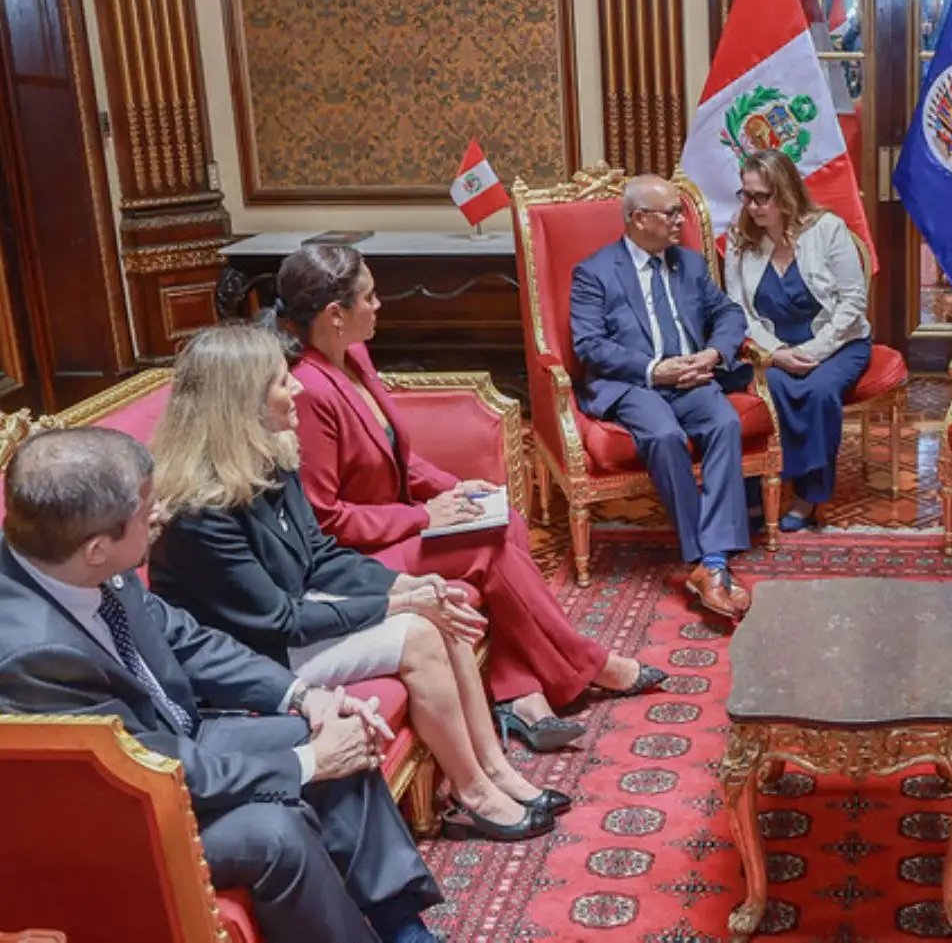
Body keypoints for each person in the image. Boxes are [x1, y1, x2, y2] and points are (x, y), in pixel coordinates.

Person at [0, 428, 441, 943]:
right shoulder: (32, 653)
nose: (161, 514)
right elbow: (142, 764)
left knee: (340, 737)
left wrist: (305, 697)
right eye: (147, 513)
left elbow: (188, 641)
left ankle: (404, 930)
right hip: (118, 811)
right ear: (97, 549)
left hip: (171, 742)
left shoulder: (70, 556)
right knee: (277, 835)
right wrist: (308, 763)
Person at [147, 324, 562, 843]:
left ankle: (495, 769)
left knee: (440, 605)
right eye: (280, 382)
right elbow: (280, 620)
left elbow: (318, 556)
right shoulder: (200, 514)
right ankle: (473, 791)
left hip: (295, 616)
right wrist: (397, 606)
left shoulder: (271, 454)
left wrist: (409, 584)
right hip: (257, 654)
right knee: (419, 633)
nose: (296, 387)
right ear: (240, 404)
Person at [274, 243, 665, 753]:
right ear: (335, 315)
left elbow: (398, 456)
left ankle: (519, 693)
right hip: (354, 559)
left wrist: (452, 488)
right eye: (369, 298)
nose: (379, 306)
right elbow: (325, 520)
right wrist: (421, 516)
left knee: (508, 524)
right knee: (488, 546)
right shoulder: (309, 389)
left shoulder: (355, 355)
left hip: (398, 523)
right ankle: (588, 663)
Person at [569, 173, 754, 620]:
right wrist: (654, 369)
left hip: (691, 377)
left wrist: (712, 353)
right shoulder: (594, 272)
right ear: (637, 219)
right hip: (636, 383)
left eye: (679, 211)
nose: (679, 220)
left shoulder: (688, 264)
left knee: (725, 422)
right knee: (664, 435)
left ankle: (711, 564)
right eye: (670, 212)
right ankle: (706, 560)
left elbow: (728, 312)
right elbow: (588, 345)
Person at [722, 149, 872, 529]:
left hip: (838, 342)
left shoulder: (827, 229)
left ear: (785, 193)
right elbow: (738, 309)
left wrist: (811, 351)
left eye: (762, 197)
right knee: (765, 387)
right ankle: (756, 491)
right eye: (746, 195)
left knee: (819, 391)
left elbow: (852, 302)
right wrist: (776, 354)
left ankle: (808, 494)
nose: (752, 206)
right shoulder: (740, 238)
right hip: (771, 349)